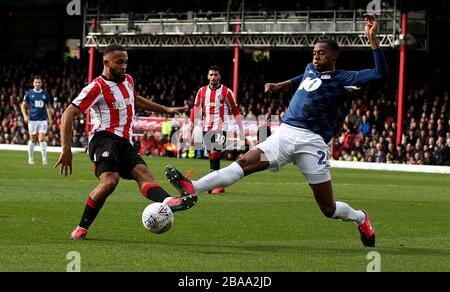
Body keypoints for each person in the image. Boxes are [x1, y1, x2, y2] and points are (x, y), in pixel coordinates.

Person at [164, 14, 388, 247]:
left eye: (321, 52)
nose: (316, 55)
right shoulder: (311, 69)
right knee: (243, 163)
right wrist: (279, 86)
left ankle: (361, 217)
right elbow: (303, 77)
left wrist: (372, 38)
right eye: (314, 52)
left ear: (334, 56)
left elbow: (380, 73)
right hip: (284, 134)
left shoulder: (344, 78)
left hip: (312, 143)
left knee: (328, 209)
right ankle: (192, 188)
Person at [55, 44, 197, 240]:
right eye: (119, 62)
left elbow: (136, 99)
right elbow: (68, 114)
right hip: (103, 138)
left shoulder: (128, 80)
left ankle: (169, 201)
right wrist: (66, 148)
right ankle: (82, 227)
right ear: (106, 63)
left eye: (126, 62)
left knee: (144, 175)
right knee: (110, 182)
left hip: (125, 142)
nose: (124, 66)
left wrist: (165, 109)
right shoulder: (96, 87)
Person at [191, 65, 244, 194]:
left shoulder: (226, 92)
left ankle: (216, 186)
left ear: (219, 76)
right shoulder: (202, 91)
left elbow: (234, 110)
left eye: (215, 75)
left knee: (215, 152)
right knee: (211, 155)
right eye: (211, 75)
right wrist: (192, 125)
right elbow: (196, 109)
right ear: (208, 76)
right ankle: (213, 184)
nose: (213, 77)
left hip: (221, 127)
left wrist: (240, 127)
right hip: (206, 126)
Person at [21, 75, 53, 165]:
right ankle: (30, 159)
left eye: (39, 82)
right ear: (33, 83)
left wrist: (50, 118)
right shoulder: (29, 93)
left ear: (41, 83)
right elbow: (23, 105)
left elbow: (48, 107)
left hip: (42, 119)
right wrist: (25, 116)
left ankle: (44, 160)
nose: (37, 84)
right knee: (32, 139)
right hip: (32, 120)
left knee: (42, 138)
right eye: (36, 82)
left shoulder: (45, 94)